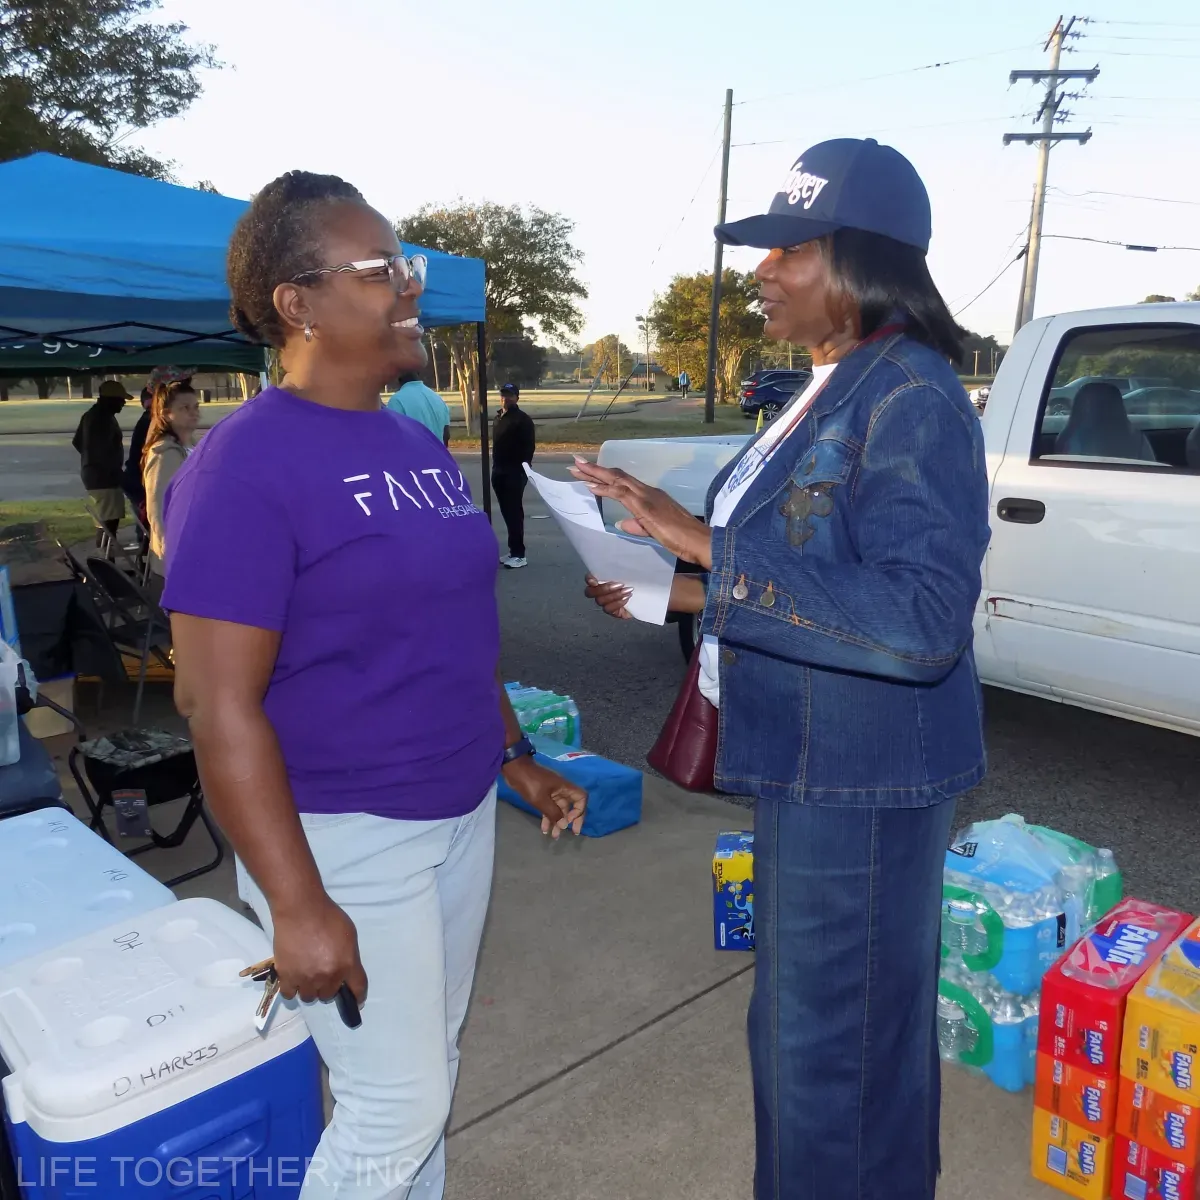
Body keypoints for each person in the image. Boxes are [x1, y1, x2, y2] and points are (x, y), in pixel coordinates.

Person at [576, 138, 990, 1200]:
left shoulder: (910, 395)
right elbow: (813, 565)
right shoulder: (832, 386)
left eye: (789, 248)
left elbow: (920, 621)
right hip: (813, 765)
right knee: (825, 1045)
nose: (761, 269)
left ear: (863, 260)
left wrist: (704, 549)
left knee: (829, 1059)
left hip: (858, 781)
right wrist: (667, 580)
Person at [160, 170, 586, 1200]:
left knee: (427, 1073)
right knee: (394, 1107)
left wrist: (514, 756)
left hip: (459, 810)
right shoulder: (242, 465)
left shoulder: (411, 441)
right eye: (383, 269)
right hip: (344, 834)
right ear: (296, 303)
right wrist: (297, 901)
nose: (410, 288)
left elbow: (451, 630)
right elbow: (214, 705)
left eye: (410, 266)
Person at [141, 379, 200, 587]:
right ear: (166, 414)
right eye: (184, 408)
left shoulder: (193, 447)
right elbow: (158, 512)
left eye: (196, 406)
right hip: (176, 563)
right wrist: (174, 554)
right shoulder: (164, 454)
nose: (193, 412)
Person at [72, 379, 130, 549]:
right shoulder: (102, 419)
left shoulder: (91, 415)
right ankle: (105, 561)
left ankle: (106, 558)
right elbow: (101, 450)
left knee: (106, 523)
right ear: (110, 399)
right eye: (120, 399)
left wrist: (89, 460)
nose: (123, 403)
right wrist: (113, 471)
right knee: (108, 526)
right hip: (105, 479)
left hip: (94, 475)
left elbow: (77, 442)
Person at [491, 382, 535, 569]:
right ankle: (512, 550)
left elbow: (529, 448)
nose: (506, 398)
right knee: (507, 513)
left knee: (514, 513)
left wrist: (522, 471)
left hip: (514, 473)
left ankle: (519, 554)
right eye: (503, 394)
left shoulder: (522, 420)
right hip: (499, 471)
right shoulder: (498, 418)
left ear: (517, 397)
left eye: (510, 395)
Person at [386, 370, 451, 445]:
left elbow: (394, 438)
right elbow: (446, 435)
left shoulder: (396, 400)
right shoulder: (437, 398)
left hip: (413, 452)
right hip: (438, 451)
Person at [122, 387, 154, 522]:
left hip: (138, 481)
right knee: (148, 526)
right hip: (141, 483)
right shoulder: (151, 421)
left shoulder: (148, 420)